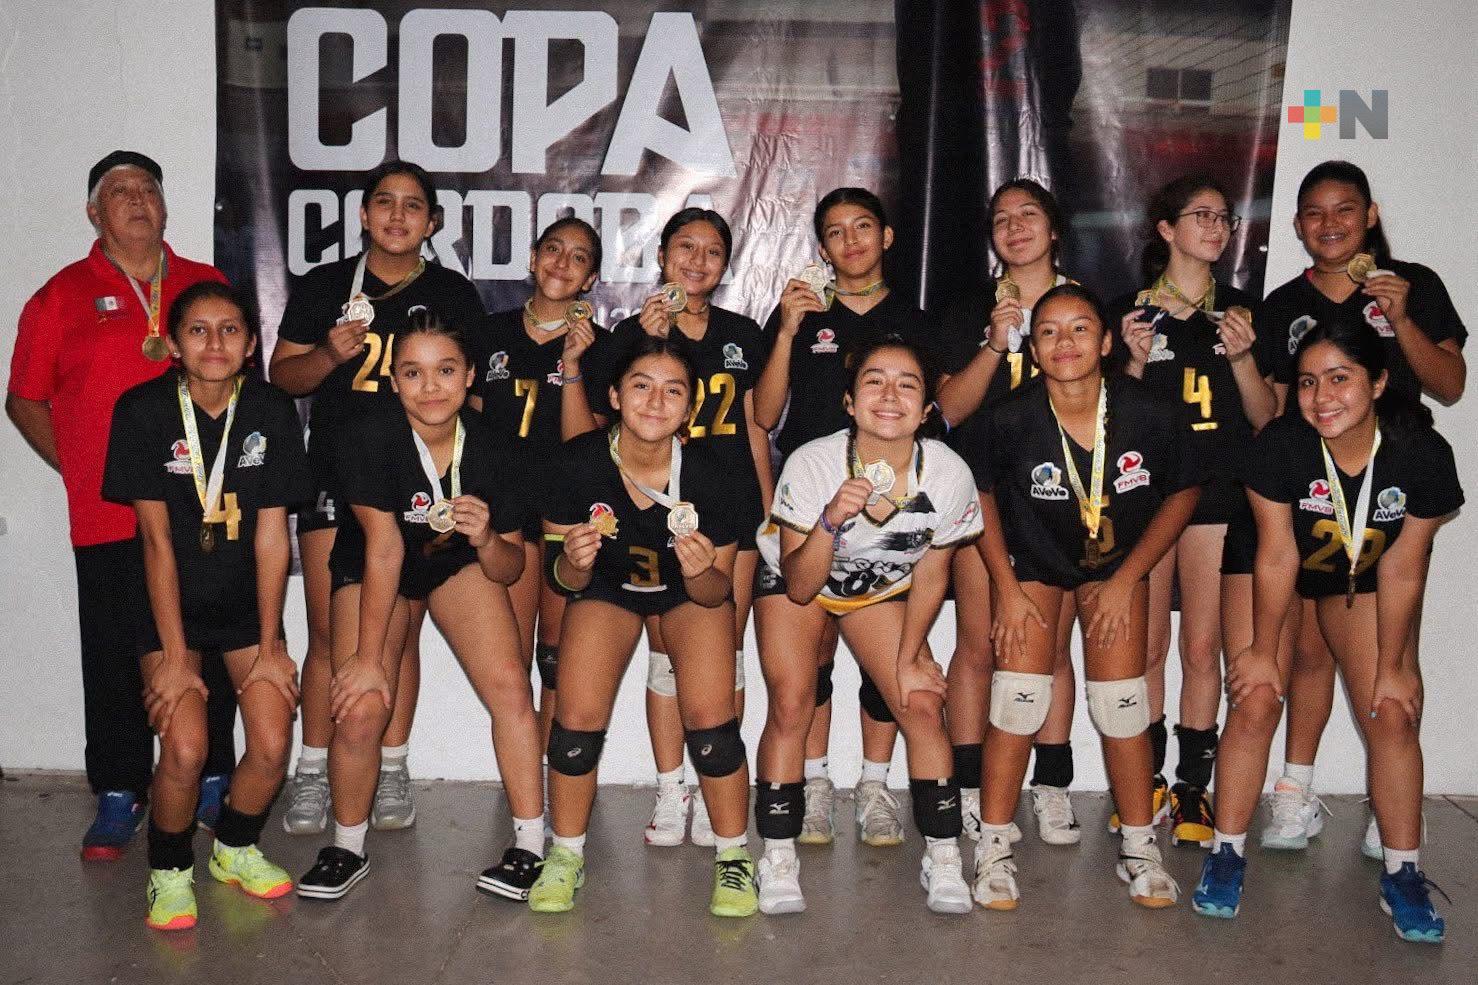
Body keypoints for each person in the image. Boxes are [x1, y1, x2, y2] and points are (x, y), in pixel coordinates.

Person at [1192, 320, 1460, 945]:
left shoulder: (1421, 451)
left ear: (1379, 382)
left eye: (1340, 378)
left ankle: (1403, 873)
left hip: (1359, 573)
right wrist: (1262, 651)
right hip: (1267, 563)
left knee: (1392, 711)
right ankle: (1226, 854)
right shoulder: (1280, 445)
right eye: (1309, 382)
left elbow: (1404, 566)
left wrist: (1394, 665)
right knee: (1257, 697)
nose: (1321, 397)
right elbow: (1276, 555)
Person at [7, 150, 239, 860]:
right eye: (119, 191)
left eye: (148, 189)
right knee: (113, 652)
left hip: (199, 510)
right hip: (107, 516)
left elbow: (238, 383)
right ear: (93, 213)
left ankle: (213, 777)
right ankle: (118, 789)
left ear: (164, 207)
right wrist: (82, 468)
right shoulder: (59, 296)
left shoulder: (204, 284)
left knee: (206, 642)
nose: (137, 200)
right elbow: (23, 399)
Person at [269, 160, 487, 835]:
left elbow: (475, 391)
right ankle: (313, 766)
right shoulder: (326, 284)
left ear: (432, 222)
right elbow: (282, 377)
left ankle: (391, 763)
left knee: (400, 625)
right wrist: (329, 356)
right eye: (384, 202)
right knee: (329, 630)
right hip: (336, 475)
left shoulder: (451, 292)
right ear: (363, 215)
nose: (397, 215)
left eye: (413, 204)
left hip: (417, 480)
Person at [1256, 161, 1467, 856]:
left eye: (1344, 209)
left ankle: (1390, 802)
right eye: (1315, 213)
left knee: (1390, 653)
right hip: (1310, 487)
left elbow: (1451, 384)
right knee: (1306, 650)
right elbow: (1276, 410)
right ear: (1297, 225)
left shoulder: (1412, 285)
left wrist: (1400, 318)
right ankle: (1295, 790)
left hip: (1391, 489)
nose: (1330, 224)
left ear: (1370, 214)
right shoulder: (1284, 303)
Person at [296, 311, 539, 900]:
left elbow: (510, 568)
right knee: (361, 705)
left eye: (446, 371)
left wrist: (486, 538)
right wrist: (369, 661)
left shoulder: (495, 444)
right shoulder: (364, 435)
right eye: (413, 372)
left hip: (454, 561)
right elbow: (384, 549)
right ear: (394, 380)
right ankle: (346, 847)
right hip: (375, 565)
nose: (431, 387)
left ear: (470, 375)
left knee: (511, 686)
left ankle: (532, 846)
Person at [974, 284, 1200, 910]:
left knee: (1122, 705)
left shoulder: (1149, 411)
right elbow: (981, 495)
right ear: (1032, 348)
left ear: (1105, 342)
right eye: (1048, 331)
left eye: (1079, 328)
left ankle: (1140, 848)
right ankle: (992, 845)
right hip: (1035, 566)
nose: (1064, 341)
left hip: (1116, 569)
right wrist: (1006, 588)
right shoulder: (1010, 417)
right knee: (1018, 699)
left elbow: (1183, 490)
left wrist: (1129, 579)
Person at [101, 282, 309, 929]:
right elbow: (156, 543)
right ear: (173, 342)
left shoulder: (272, 409)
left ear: (250, 344)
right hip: (170, 608)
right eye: (198, 329)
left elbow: (273, 536)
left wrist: (271, 645)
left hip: (246, 609)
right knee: (187, 749)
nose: (214, 342)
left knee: (272, 742)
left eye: (229, 330)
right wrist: (170, 657)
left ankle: (234, 847)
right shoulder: (142, 410)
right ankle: (168, 870)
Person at [752, 335, 981, 916]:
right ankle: (777, 856)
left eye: (907, 384)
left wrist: (909, 658)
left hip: (876, 586)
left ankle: (944, 856)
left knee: (921, 701)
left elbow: (933, 571)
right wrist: (831, 519)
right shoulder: (813, 462)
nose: (890, 395)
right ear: (850, 403)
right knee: (792, 703)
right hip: (798, 573)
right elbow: (801, 585)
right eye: (874, 381)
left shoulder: (948, 472)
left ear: (926, 409)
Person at [529, 336, 757, 917]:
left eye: (673, 390)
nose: (656, 401)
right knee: (574, 726)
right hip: (608, 589)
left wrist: (701, 569)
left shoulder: (717, 473)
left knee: (712, 727)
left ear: (690, 407)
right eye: (641, 386)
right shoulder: (576, 463)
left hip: (687, 594)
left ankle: (734, 857)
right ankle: (566, 855)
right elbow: (562, 579)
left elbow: (717, 593)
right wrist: (573, 562)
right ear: (614, 395)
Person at [578, 208, 769, 848]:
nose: (696, 260)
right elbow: (596, 411)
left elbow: (757, 425)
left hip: (724, 505)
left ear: (725, 264)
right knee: (663, 651)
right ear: (661, 256)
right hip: (647, 502)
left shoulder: (741, 333)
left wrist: (766, 509)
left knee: (720, 652)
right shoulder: (631, 336)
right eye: (684, 247)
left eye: (712, 251)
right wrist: (638, 331)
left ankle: (717, 789)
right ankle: (670, 788)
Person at [1111, 175, 1276, 846]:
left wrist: (1243, 357)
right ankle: (1145, 778)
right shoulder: (1130, 312)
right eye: (1199, 215)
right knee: (1147, 644)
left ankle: (1190, 788)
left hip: (1216, 491)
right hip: (1149, 496)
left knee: (1202, 645)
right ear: (1166, 228)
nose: (1215, 226)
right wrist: (1130, 361)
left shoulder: (1241, 311)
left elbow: (1265, 415)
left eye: (1223, 216)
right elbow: (1107, 419)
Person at [753, 187, 919, 848]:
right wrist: (787, 330)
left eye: (862, 226)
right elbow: (765, 415)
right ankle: (816, 781)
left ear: (886, 236)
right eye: (835, 231)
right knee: (813, 650)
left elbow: (939, 413)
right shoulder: (802, 312)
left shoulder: (912, 318)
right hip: (812, 506)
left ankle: (875, 784)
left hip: (887, 508)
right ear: (822, 247)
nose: (850, 241)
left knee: (889, 657)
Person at [934, 178, 1084, 845]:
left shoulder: (1080, 304)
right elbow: (948, 410)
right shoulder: (969, 307)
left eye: (1029, 215)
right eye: (1002, 219)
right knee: (978, 642)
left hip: (1065, 495)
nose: (1015, 227)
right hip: (984, 493)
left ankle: (1051, 784)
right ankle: (969, 785)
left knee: (1051, 645)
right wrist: (995, 343)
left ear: (1053, 229)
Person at [468, 216, 606, 780]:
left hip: (565, 510)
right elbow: (470, 422)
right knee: (512, 659)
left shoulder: (600, 346)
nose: (562, 263)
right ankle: (522, 784)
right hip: (504, 508)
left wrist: (572, 366)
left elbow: (586, 444)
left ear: (590, 278)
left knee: (556, 657)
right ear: (532, 258)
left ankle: (550, 780)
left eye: (578, 257)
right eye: (553, 249)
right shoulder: (491, 332)